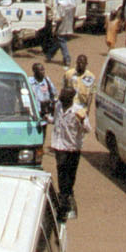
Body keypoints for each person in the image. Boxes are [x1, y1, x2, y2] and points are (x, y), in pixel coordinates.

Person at [48, 85, 90, 220]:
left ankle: (67, 198)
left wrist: (82, 120)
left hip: (72, 148)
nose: (61, 99)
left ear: (71, 98)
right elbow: (55, 120)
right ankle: (63, 204)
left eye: (64, 97)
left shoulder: (78, 111)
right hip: (60, 147)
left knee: (70, 177)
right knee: (62, 172)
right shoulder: (58, 107)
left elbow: (87, 129)